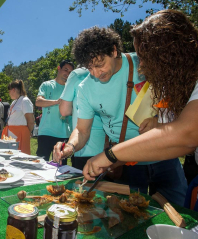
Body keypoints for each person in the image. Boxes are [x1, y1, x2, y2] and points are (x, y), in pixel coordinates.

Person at [82, 10, 198, 227]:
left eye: (146, 59)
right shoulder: (180, 85)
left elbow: (187, 135)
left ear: (171, 54)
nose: (142, 66)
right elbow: (169, 132)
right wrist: (159, 125)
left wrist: (110, 155)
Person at [54, 26, 187, 207]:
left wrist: (160, 119)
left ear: (114, 50)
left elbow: (178, 99)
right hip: (125, 163)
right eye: (89, 67)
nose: (96, 73)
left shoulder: (144, 63)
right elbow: (82, 130)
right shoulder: (85, 88)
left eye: (100, 64)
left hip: (164, 154)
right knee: (129, 218)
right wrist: (69, 147)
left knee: (179, 214)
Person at [58, 67, 107, 170]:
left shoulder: (77, 74)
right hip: (110, 147)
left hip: (84, 148)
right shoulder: (110, 69)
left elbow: (64, 110)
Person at [36, 60, 74, 163]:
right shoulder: (47, 85)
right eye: (65, 69)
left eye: (70, 72)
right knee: (40, 165)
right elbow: (38, 101)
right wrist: (57, 102)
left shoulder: (71, 89)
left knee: (60, 168)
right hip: (46, 133)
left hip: (64, 135)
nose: (67, 73)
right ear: (58, 68)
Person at [1, 80, 35, 154]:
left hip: (20, 134)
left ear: (13, 90)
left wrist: (27, 133)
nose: (9, 93)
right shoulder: (14, 102)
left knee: (20, 156)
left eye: (9, 91)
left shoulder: (25, 100)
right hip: (11, 134)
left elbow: (31, 121)